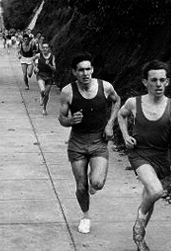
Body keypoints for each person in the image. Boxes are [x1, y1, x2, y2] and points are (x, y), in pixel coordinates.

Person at [117, 60, 171, 251]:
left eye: (162, 80)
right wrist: (125, 136)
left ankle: (140, 240)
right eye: (154, 80)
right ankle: (138, 227)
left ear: (168, 82)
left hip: (161, 156)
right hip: (140, 153)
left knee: (149, 195)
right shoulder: (134, 103)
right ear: (145, 82)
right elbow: (121, 115)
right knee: (156, 191)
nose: (158, 84)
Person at [58, 52, 120, 234]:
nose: (85, 73)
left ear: (92, 70)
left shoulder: (105, 87)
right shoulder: (67, 92)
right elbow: (61, 118)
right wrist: (70, 121)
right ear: (74, 72)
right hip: (77, 143)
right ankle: (85, 216)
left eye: (88, 69)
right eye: (81, 70)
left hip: (99, 141)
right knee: (81, 185)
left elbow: (117, 101)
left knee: (97, 183)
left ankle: (94, 185)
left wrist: (110, 124)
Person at [33, 41, 56, 115]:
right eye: (44, 47)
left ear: (48, 48)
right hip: (40, 75)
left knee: (46, 94)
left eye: (47, 47)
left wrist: (49, 64)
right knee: (43, 90)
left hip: (49, 76)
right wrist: (35, 67)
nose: (45, 49)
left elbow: (54, 69)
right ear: (42, 48)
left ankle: (44, 108)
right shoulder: (39, 55)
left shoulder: (52, 56)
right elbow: (33, 59)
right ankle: (41, 94)